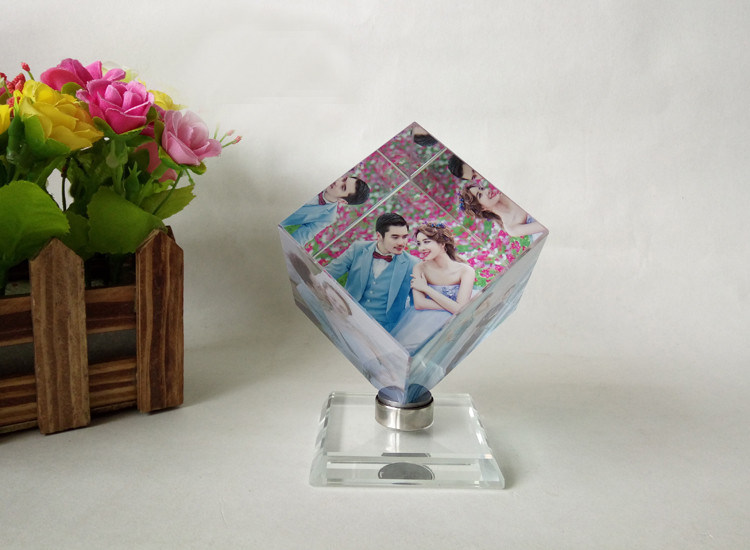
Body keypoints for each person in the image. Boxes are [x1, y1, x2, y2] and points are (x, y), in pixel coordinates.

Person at [324, 213, 418, 332]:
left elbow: (415, 304)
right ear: (379, 236)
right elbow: (329, 273)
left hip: (383, 329)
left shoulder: (413, 264)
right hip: (347, 316)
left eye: (404, 237)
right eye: (395, 237)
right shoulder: (358, 249)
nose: (401, 242)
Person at [391, 223, 475, 354]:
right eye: (419, 243)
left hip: (456, 321)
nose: (421, 248)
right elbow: (419, 304)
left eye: (426, 242)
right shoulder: (420, 268)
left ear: (442, 244)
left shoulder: (465, 270)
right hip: (425, 320)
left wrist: (426, 288)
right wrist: (453, 306)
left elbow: (461, 309)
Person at [449, 154, 546, 238]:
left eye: (482, 188)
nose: (487, 190)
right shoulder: (511, 227)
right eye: (480, 195)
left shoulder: (509, 184)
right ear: (481, 208)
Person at [280, 174, 370, 244]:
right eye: (343, 179)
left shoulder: (327, 217)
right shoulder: (318, 174)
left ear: (342, 201)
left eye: (343, 187)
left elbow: (300, 237)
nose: (337, 182)